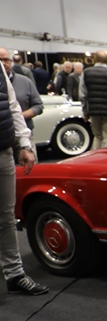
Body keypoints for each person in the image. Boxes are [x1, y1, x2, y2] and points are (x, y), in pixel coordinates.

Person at [0, 64, 47, 295]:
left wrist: (24, 144)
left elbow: (12, 105)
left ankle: (15, 274)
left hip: (3, 150)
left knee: (7, 217)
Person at [79, 50, 107, 149]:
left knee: (97, 136)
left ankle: (96, 156)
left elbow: (82, 95)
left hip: (93, 110)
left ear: (94, 59)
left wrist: (85, 111)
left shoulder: (86, 73)